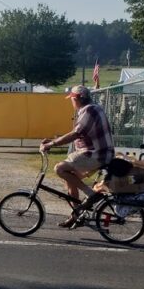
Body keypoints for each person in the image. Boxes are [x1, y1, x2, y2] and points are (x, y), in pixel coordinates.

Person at [40, 85, 114, 228]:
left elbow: (76, 134)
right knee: (69, 180)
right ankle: (77, 215)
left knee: (60, 169)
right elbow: (76, 134)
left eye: (72, 99)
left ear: (77, 99)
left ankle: (91, 194)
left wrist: (52, 144)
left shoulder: (89, 111)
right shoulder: (89, 109)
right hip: (93, 152)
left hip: (97, 154)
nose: (71, 102)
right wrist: (53, 140)